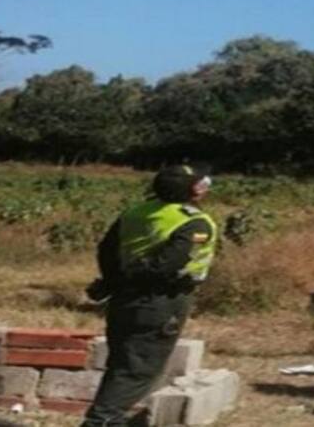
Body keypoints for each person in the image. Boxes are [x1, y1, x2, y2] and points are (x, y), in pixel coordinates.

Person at [80, 165, 218, 427]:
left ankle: (110, 419)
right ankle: (101, 421)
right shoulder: (193, 221)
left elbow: (107, 250)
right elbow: (168, 265)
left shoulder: (135, 212)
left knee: (122, 364)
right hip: (160, 301)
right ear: (192, 191)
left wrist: (114, 282)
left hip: (123, 299)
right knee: (139, 369)